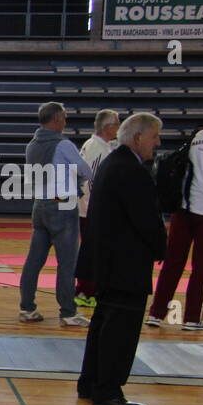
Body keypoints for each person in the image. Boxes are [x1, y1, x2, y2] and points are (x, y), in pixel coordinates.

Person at [77, 113, 166, 405]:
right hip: (125, 266)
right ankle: (108, 389)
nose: (158, 142)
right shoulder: (132, 170)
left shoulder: (113, 164)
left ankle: (91, 383)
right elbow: (146, 220)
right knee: (121, 330)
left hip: (106, 262)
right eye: (154, 136)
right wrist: (161, 248)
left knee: (103, 324)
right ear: (138, 137)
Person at [147, 105, 203, 331]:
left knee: (172, 263)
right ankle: (192, 318)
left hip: (183, 209)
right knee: (201, 268)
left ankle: (156, 313)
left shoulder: (200, 135)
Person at [18, 102, 93, 327]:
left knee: (34, 260)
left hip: (40, 205)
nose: (66, 121)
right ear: (58, 118)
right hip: (62, 204)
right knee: (67, 262)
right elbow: (86, 171)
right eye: (65, 117)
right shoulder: (63, 144)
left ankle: (27, 308)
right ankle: (68, 312)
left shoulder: (32, 145)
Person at [76, 109, 120, 308]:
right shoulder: (97, 148)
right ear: (108, 126)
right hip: (90, 209)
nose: (119, 127)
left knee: (94, 250)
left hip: (90, 208)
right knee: (92, 251)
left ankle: (91, 288)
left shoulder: (100, 145)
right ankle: (86, 290)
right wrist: (99, 207)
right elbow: (91, 179)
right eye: (117, 123)